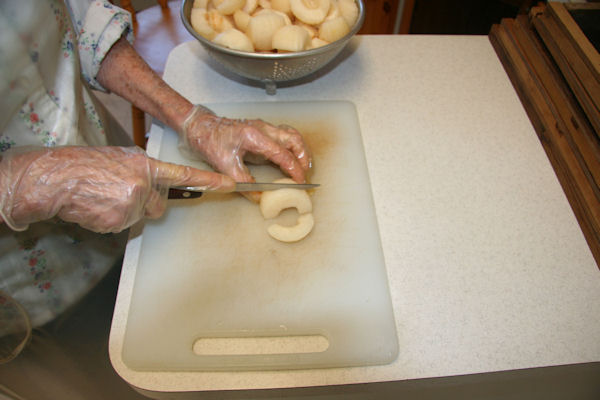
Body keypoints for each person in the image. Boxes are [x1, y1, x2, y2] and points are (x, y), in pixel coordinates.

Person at [0, 0, 311, 398]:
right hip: (24, 300)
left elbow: (77, 18)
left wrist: (194, 120)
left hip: (118, 189)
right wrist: (25, 184)